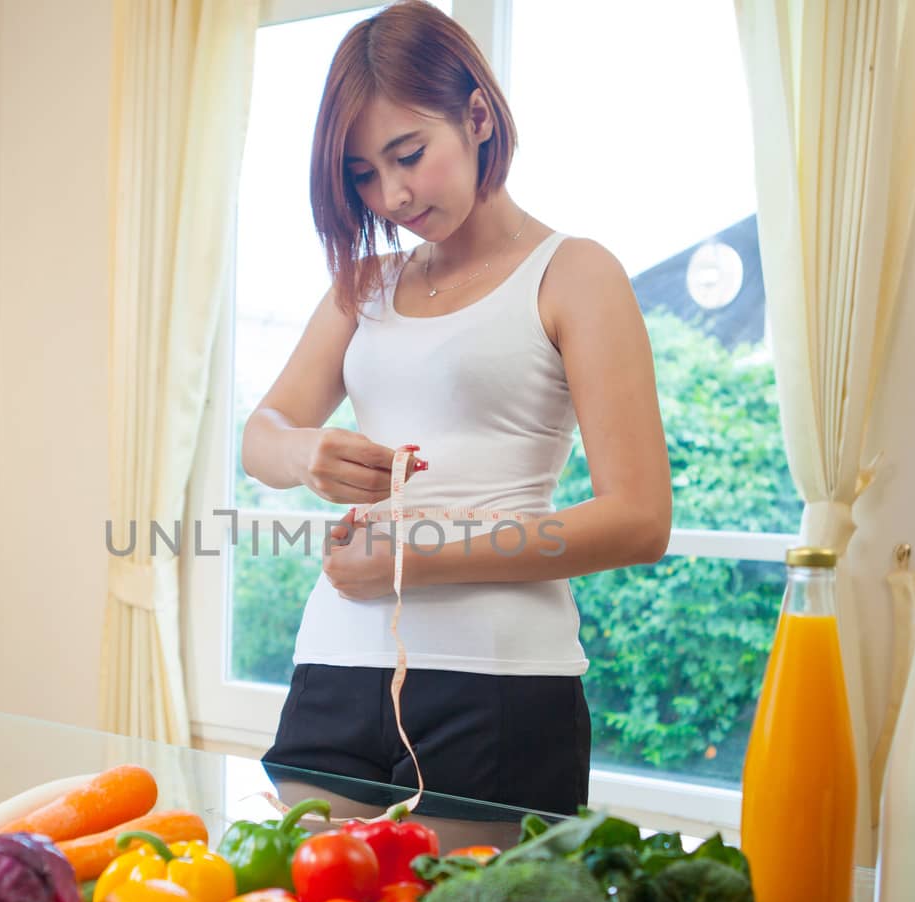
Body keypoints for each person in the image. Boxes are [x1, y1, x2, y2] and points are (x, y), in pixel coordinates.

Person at [240, 0, 671, 815]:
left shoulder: (574, 274)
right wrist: (307, 454)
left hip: (498, 680)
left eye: (410, 154)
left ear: (477, 115)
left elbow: (640, 519)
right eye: (363, 173)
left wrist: (415, 559)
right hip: (334, 662)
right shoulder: (363, 287)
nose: (392, 194)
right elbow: (259, 435)